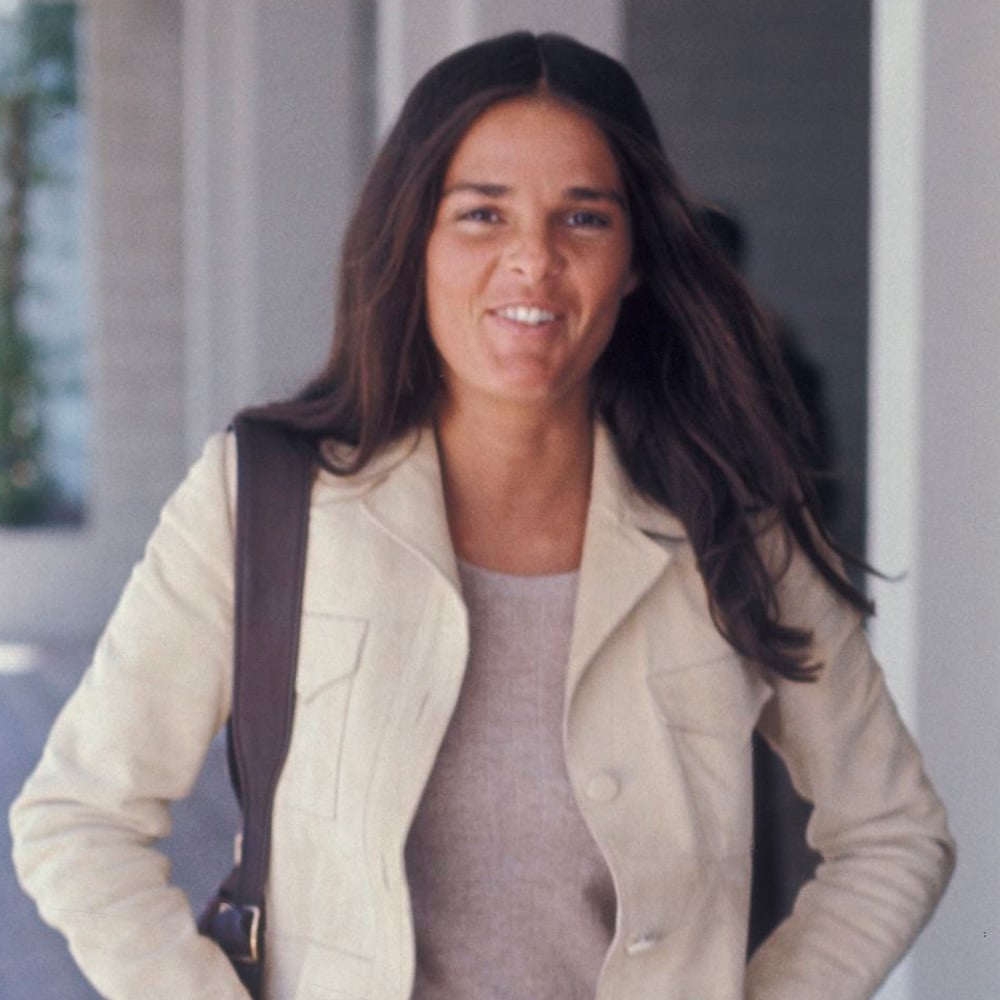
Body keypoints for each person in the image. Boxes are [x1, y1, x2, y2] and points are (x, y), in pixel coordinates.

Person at [10, 31, 953, 1000]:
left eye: (582, 218)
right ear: (413, 241)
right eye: (481, 215)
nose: (532, 260)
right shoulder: (265, 498)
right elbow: (78, 819)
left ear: (635, 258)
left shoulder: (730, 523)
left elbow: (893, 831)